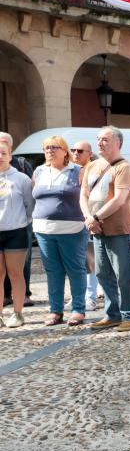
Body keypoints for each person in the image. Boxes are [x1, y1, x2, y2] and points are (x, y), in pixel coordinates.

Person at [81, 126, 130, 332]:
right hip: (96, 229)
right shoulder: (92, 166)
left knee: (123, 274)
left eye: (105, 139)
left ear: (118, 143)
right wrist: (89, 218)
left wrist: (96, 217)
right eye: (98, 139)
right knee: (103, 274)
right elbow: (83, 195)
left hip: (117, 229)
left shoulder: (123, 167)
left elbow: (120, 199)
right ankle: (112, 314)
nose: (100, 143)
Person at [31, 136, 87, 326]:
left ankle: (78, 309)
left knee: (75, 269)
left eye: (54, 147)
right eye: (46, 148)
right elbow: (35, 197)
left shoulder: (77, 171)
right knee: (53, 271)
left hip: (72, 229)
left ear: (65, 151)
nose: (49, 151)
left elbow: (86, 197)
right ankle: (56, 311)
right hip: (43, 230)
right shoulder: (39, 171)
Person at [0, 138, 33, 327]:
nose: (0, 157)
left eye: (3, 153)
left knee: (15, 274)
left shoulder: (21, 179)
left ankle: (18, 313)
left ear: (10, 156)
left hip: (16, 232)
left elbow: (30, 206)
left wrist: (19, 221)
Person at [70, 140, 98, 312]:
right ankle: (78, 295)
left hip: (89, 220)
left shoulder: (94, 169)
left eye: (80, 150)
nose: (75, 153)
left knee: (90, 261)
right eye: (73, 150)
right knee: (76, 261)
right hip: (73, 221)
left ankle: (90, 296)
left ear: (89, 153)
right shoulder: (72, 171)